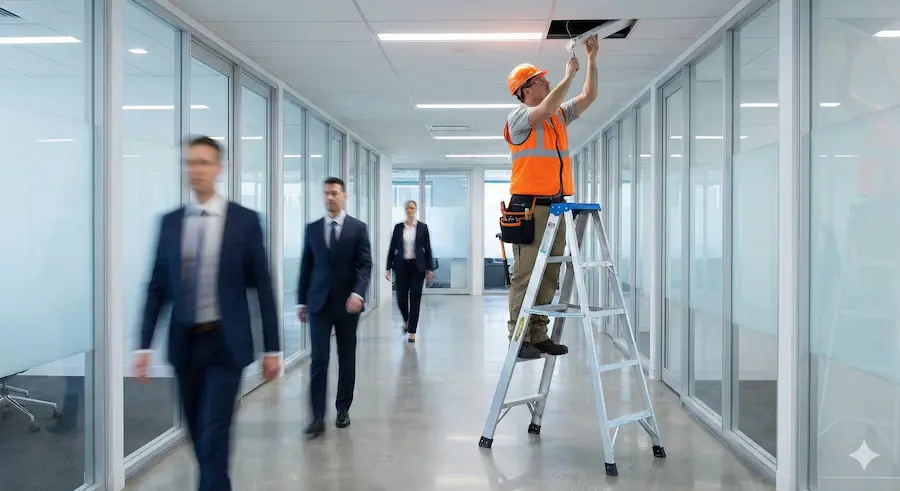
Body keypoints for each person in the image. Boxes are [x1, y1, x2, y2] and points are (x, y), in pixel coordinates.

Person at [133, 136, 281, 491]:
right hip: (185, 344)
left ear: (218, 168)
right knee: (196, 430)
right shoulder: (170, 223)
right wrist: (143, 346)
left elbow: (262, 286)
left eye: (203, 162)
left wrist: (272, 349)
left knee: (214, 430)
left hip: (225, 344)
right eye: (190, 163)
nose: (195, 169)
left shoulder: (244, 222)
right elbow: (156, 287)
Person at [503, 34, 600, 359]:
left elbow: (589, 96)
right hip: (529, 207)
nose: (545, 83)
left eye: (546, 79)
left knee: (550, 274)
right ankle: (518, 338)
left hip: (557, 207)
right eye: (540, 80)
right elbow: (544, 108)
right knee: (525, 275)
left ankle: (539, 334)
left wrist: (591, 61)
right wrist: (567, 76)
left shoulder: (559, 115)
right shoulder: (518, 118)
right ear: (525, 90)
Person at [297, 177, 372, 437]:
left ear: (344, 196)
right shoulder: (313, 229)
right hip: (318, 303)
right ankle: (317, 416)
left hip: (347, 304)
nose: (330, 197)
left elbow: (365, 264)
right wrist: (301, 300)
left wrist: (358, 294)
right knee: (319, 359)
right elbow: (306, 266)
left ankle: (343, 409)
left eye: (334, 193)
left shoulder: (357, 228)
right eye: (326, 193)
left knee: (346, 357)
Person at [385, 200, 435, 343]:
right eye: (407, 208)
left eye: (412, 208)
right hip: (401, 266)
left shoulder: (422, 228)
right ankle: (407, 320)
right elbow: (392, 248)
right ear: (405, 210)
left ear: (415, 210)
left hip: (417, 267)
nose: (410, 210)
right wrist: (387, 267)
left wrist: (429, 268)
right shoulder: (398, 228)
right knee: (401, 298)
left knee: (415, 297)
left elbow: (428, 249)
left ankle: (412, 330)